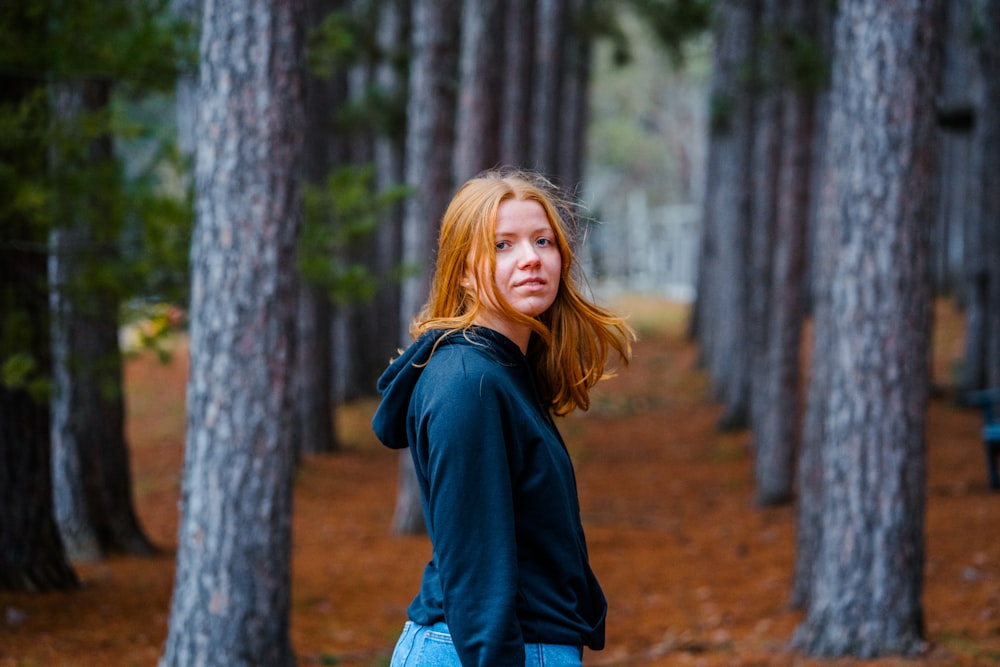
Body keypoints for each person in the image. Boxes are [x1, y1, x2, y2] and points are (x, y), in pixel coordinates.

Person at [372, 168, 634, 666]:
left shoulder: (502, 371)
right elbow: (475, 570)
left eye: (542, 241)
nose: (531, 258)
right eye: (502, 245)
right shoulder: (470, 382)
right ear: (465, 270)